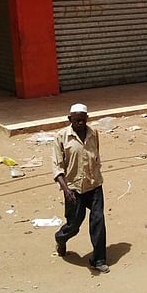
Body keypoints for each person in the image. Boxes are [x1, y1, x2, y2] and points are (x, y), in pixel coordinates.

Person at [51, 103, 109, 273]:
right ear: (70, 119)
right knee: (74, 224)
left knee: (98, 221)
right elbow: (57, 167)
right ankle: (61, 238)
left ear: (87, 119)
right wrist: (66, 189)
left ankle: (98, 259)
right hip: (73, 189)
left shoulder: (93, 134)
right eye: (76, 121)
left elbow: (95, 156)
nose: (80, 123)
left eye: (83, 120)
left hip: (94, 185)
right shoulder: (61, 137)